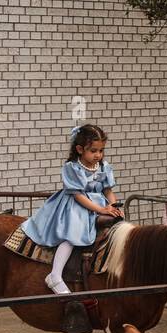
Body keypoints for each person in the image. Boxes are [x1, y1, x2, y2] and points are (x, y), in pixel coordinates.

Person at [22, 124, 123, 295]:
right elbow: (78, 196)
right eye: (93, 151)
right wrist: (101, 209)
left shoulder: (104, 166)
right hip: (76, 206)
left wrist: (112, 206)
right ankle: (55, 274)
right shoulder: (72, 168)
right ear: (79, 149)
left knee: (119, 227)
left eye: (101, 150)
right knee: (73, 234)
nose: (98, 155)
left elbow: (108, 191)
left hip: (99, 204)